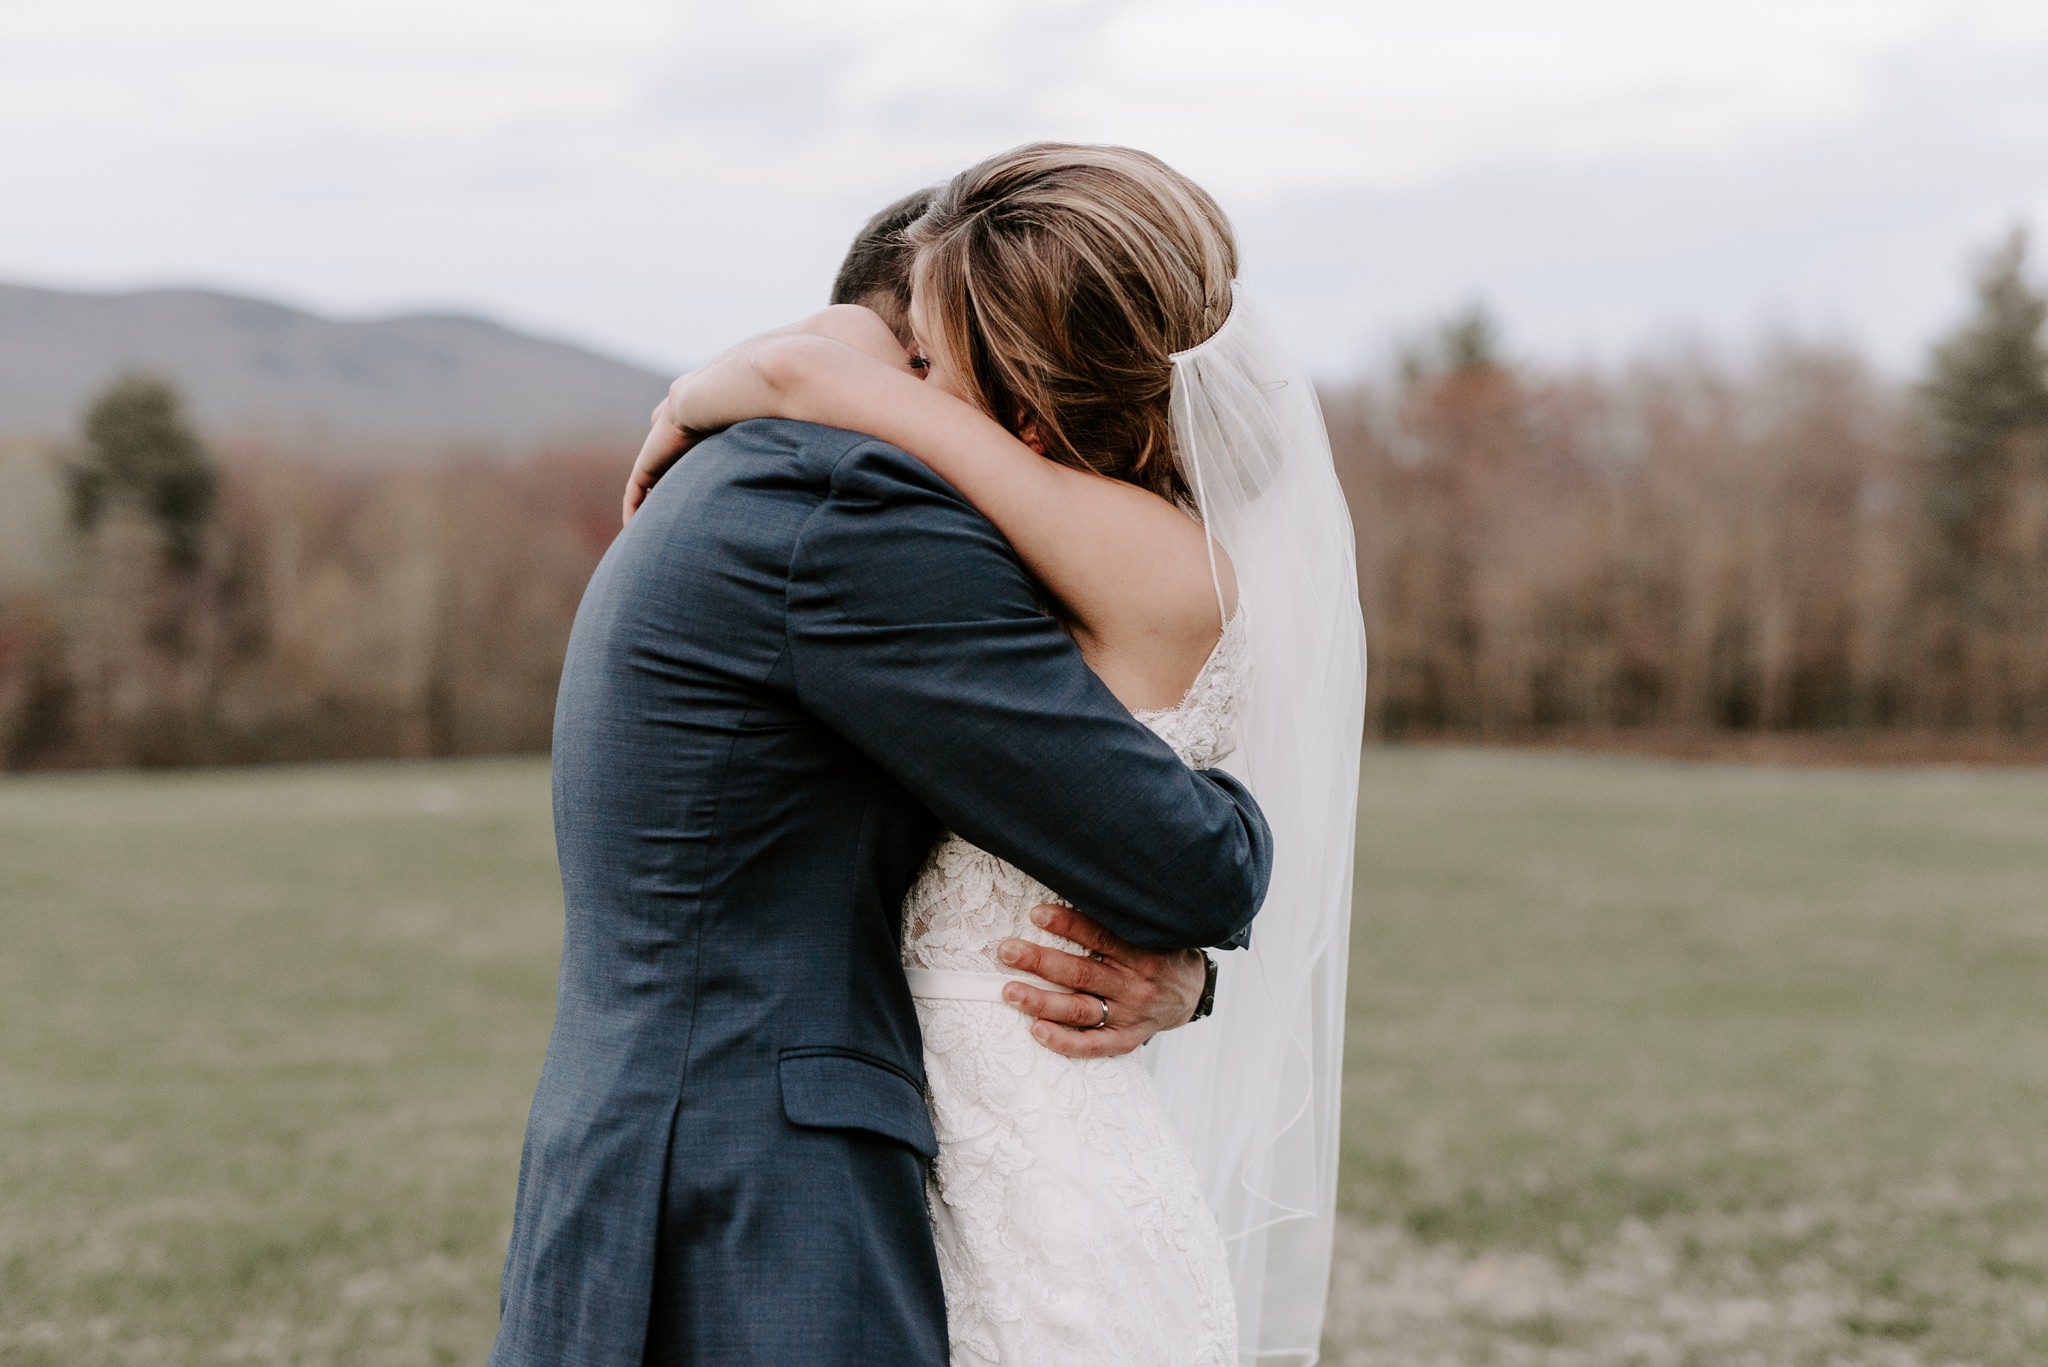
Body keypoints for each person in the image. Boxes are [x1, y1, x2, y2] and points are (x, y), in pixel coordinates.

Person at [486, 168, 1275, 1364]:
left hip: (683, 1144)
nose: (966, 417)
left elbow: (1028, 796)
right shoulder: (847, 497)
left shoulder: (774, 469)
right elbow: (1182, 857)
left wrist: (1178, 978)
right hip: (756, 1189)